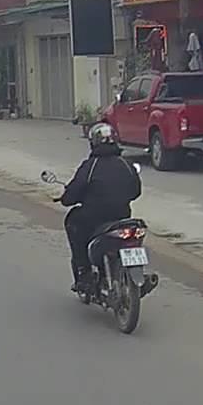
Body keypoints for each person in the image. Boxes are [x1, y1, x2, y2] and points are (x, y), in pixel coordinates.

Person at [58, 123, 142, 292]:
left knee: (73, 221)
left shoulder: (90, 166)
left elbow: (71, 195)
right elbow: (136, 192)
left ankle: (84, 271)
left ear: (93, 143)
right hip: (122, 216)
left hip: (94, 218)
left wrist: (68, 198)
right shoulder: (126, 164)